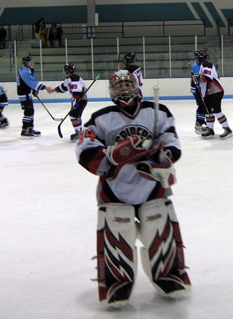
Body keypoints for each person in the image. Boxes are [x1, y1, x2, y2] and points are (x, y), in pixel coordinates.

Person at [75, 70, 191, 308]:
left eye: (128, 83)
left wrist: (162, 159)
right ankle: (118, 281)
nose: (124, 89)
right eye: (119, 85)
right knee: (118, 236)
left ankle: (167, 274)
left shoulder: (157, 112)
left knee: (160, 231)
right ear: (111, 91)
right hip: (115, 191)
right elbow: (84, 150)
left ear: (137, 86)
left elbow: (171, 140)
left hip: (152, 187)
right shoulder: (101, 117)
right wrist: (111, 156)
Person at [195, 50, 233, 139]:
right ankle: (210, 130)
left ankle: (227, 129)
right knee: (208, 113)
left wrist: (199, 77)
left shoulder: (207, 65)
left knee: (216, 112)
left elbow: (208, 77)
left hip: (215, 92)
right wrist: (198, 78)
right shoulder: (202, 66)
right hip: (208, 93)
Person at [17, 56, 52, 137]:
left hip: (27, 93)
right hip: (23, 94)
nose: (32, 63)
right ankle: (24, 130)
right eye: (30, 62)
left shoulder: (28, 69)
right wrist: (45, 87)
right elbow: (31, 82)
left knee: (31, 111)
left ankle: (30, 128)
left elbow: (32, 81)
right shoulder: (24, 72)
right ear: (26, 63)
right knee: (28, 112)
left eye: (32, 61)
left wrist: (34, 89)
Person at [52, 63, 88, 141]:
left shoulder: (74, 78)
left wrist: (76, 100)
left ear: (67, 71)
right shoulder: (68, 79)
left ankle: (78, 133)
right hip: (78, 100)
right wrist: (54, 90)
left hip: (81, 100)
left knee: (73, 115)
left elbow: (77, 91)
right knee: (75, 115)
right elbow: (63, 88)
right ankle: (79, 132)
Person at [190, 50, 207, 135]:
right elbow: (198, 79)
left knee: (202, 105)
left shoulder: (198, 64)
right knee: (202, 105)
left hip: (198, 88)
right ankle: (199, 122)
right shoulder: (196, 66)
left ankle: (200, 121)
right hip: (197, 88)